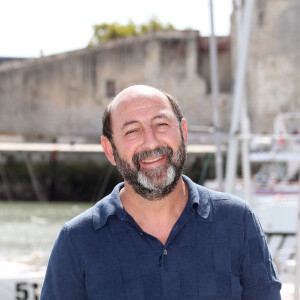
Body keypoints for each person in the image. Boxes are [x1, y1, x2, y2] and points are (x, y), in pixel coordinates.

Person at [40, 85, 281, 299]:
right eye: (132, 131)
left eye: (161, 124)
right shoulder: (77, 241)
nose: (152, 142)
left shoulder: (237, 221)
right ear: (110, 150)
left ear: (184, 133)